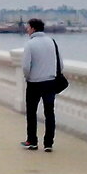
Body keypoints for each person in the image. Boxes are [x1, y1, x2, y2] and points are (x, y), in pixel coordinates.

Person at [21, 18, 59, 152]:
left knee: (31, 112)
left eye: (28, 27)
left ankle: (32, 141)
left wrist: (28, 77)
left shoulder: (30, 44)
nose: (27, 29)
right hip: (50, 82)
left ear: (33, 28)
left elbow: (26, 66)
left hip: (34, 83)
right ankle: (48, 143)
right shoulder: (51, 42)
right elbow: (60, 64)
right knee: (49, 112)